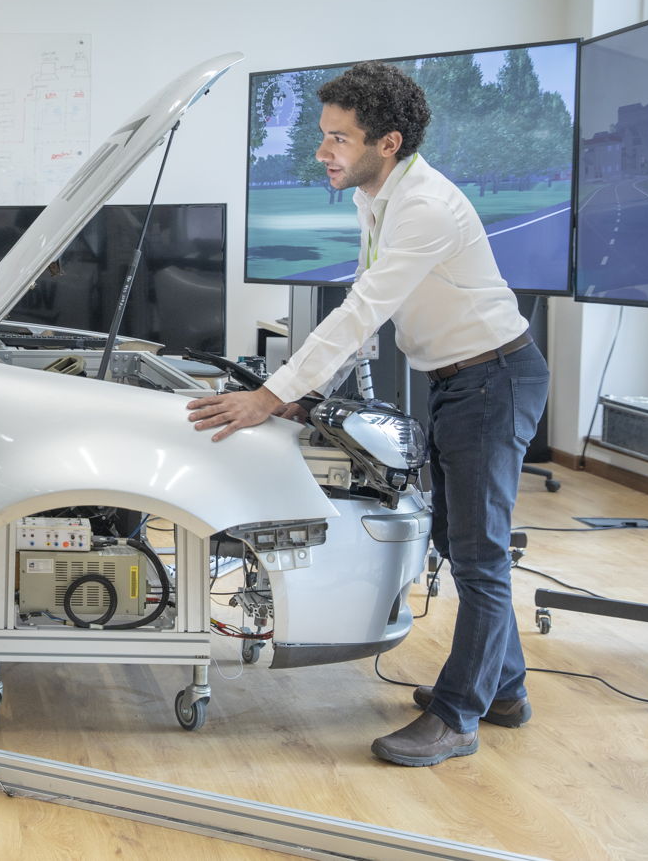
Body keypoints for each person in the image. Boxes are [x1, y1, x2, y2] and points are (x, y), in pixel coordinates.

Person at [185, 61, 549, 767]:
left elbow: (360, 313)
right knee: (455, 532)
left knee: (477, 552)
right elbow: (368, 312)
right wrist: (304, 392)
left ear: (387, 141)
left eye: (338, 138)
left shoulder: (425, 208)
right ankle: (504, 688)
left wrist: (270, 395)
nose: (323, 151)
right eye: (323, 136)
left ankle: (457, 715)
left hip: (493, 378)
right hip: (456, 379)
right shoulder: (377, 196)